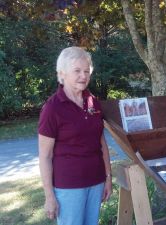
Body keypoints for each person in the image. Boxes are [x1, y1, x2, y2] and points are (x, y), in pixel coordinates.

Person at [38, 47, 112, 225]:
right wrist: (49, 196)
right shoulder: (52, 108)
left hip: (96, 182)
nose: (83, 76)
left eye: (86, 71)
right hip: (68, 186)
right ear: (62, 74)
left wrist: (108, 178)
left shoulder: (93, 101)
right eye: (77, 71)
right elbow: (45, 156)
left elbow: (101, 143)